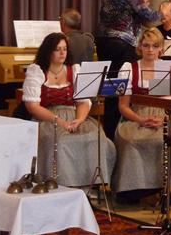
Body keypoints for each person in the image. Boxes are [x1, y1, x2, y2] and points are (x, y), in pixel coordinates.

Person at [22, 32, 116, 187]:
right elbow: (32, 106)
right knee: (61, 142)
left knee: (96, 138)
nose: (62, 53)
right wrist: (59, 121)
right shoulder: (37, 71)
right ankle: (61, 184)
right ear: (48, 51)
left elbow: (83, 101)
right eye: (57, 49)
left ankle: (89, 186)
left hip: (74, 116)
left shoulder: (74, 70)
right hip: (47, 118)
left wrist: (79, 120)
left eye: (64, 49)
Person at [113, 27, 171, 199]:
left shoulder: (169, 69)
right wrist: (140, 119)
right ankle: (134, 190)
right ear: (140, 47)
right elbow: (123, 106)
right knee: (131, 141)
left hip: (164, 116)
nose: (150, 50)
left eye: (155, 46)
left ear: (161, 48)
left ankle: (166, 188)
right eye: (146, 45)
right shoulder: (129, 68)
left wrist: (165, 119)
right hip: (136, 116)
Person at [96, 0, 163, 138]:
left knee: (111, 92)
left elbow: (120, 14)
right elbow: (150, 17)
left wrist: (141, 5)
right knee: (122, 92)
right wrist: (163, 12)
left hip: (103, 43)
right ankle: (122, 133)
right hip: (122, 44)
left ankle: (109, 135)